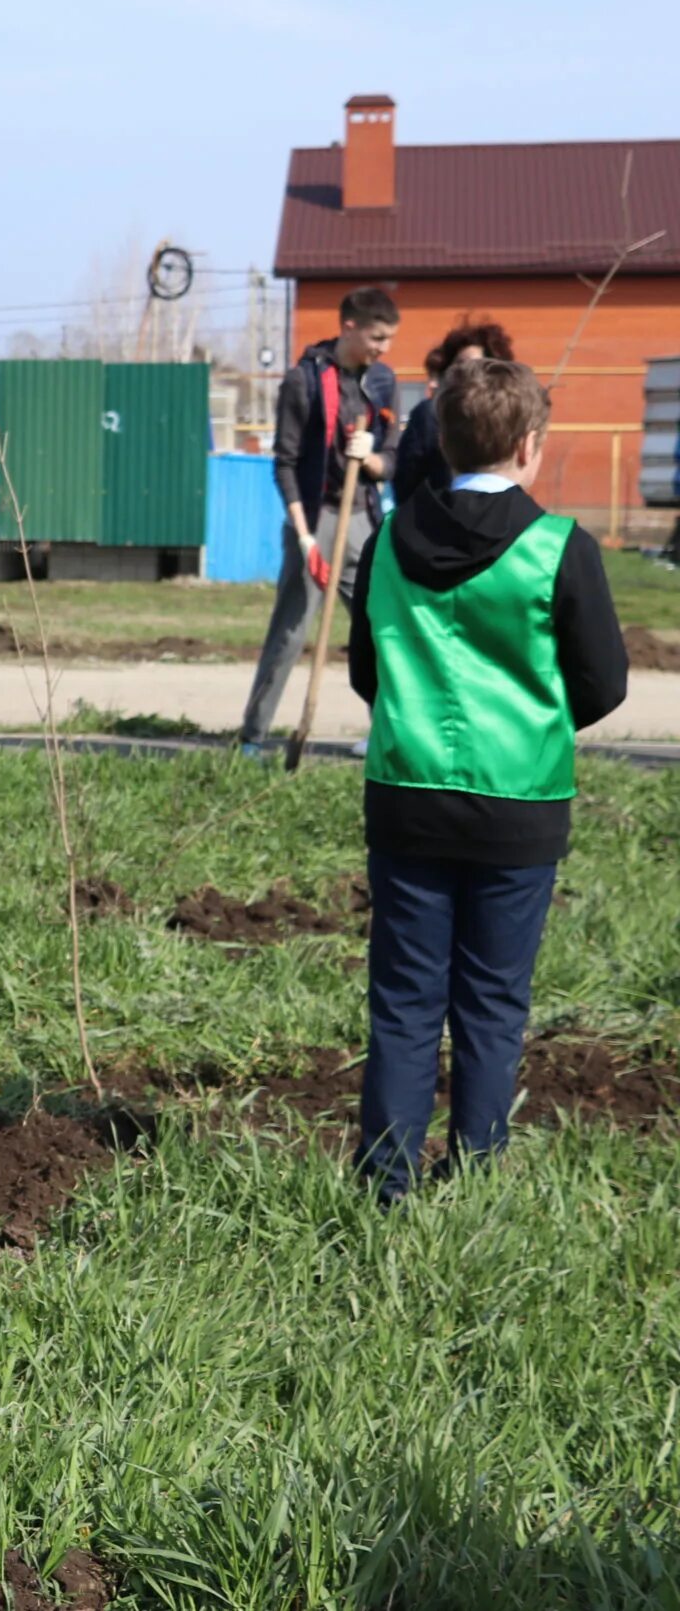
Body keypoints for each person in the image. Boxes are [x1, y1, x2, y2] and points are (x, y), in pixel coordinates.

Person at [347, 359, 627, 1208]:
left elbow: (369, 670)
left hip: (407, 794)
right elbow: (605, 681)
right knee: (493, 1003)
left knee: (402, 1002)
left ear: (444, 438)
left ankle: (385, 1185)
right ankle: (473, 1180)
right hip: (521, 805)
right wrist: (535, 724)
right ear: (530, 446)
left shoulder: (389, 539)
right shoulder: (560, 547)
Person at [239, 287, 401, 753]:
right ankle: (253, 737)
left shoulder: (383, 381)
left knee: (377, 627)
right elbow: (285, 462)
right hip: (315, 520)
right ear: (349, 326)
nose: (383, 348)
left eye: (388, 338)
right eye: (376, 337)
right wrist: (305, 537)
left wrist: (371, 459)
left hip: (363, 522)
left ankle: (386, 734)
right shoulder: (303, 381)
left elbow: (392, 457)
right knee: (291, 632)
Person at [391, 319, 514, 505]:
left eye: (476, 365)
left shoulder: (506, 417)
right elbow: (406, 475)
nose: (466, 372)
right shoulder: (430, 414)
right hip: (437, 518)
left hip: (495, 517)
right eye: (459, 364)